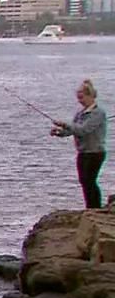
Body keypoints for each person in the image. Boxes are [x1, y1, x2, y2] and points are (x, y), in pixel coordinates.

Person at [50, 79, 107, 209]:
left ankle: (94, 207)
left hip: (95, 152)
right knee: (84, 181)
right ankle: (90, 207)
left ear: (90, 96)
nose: (80, 101)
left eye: (81, 98)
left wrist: (64, 124)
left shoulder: (98, 113)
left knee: (89, 181)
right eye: (78, 98)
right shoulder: (80, 114)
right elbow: (73, 130)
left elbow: (83, 130)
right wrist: (59, 132)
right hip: (83, 152)